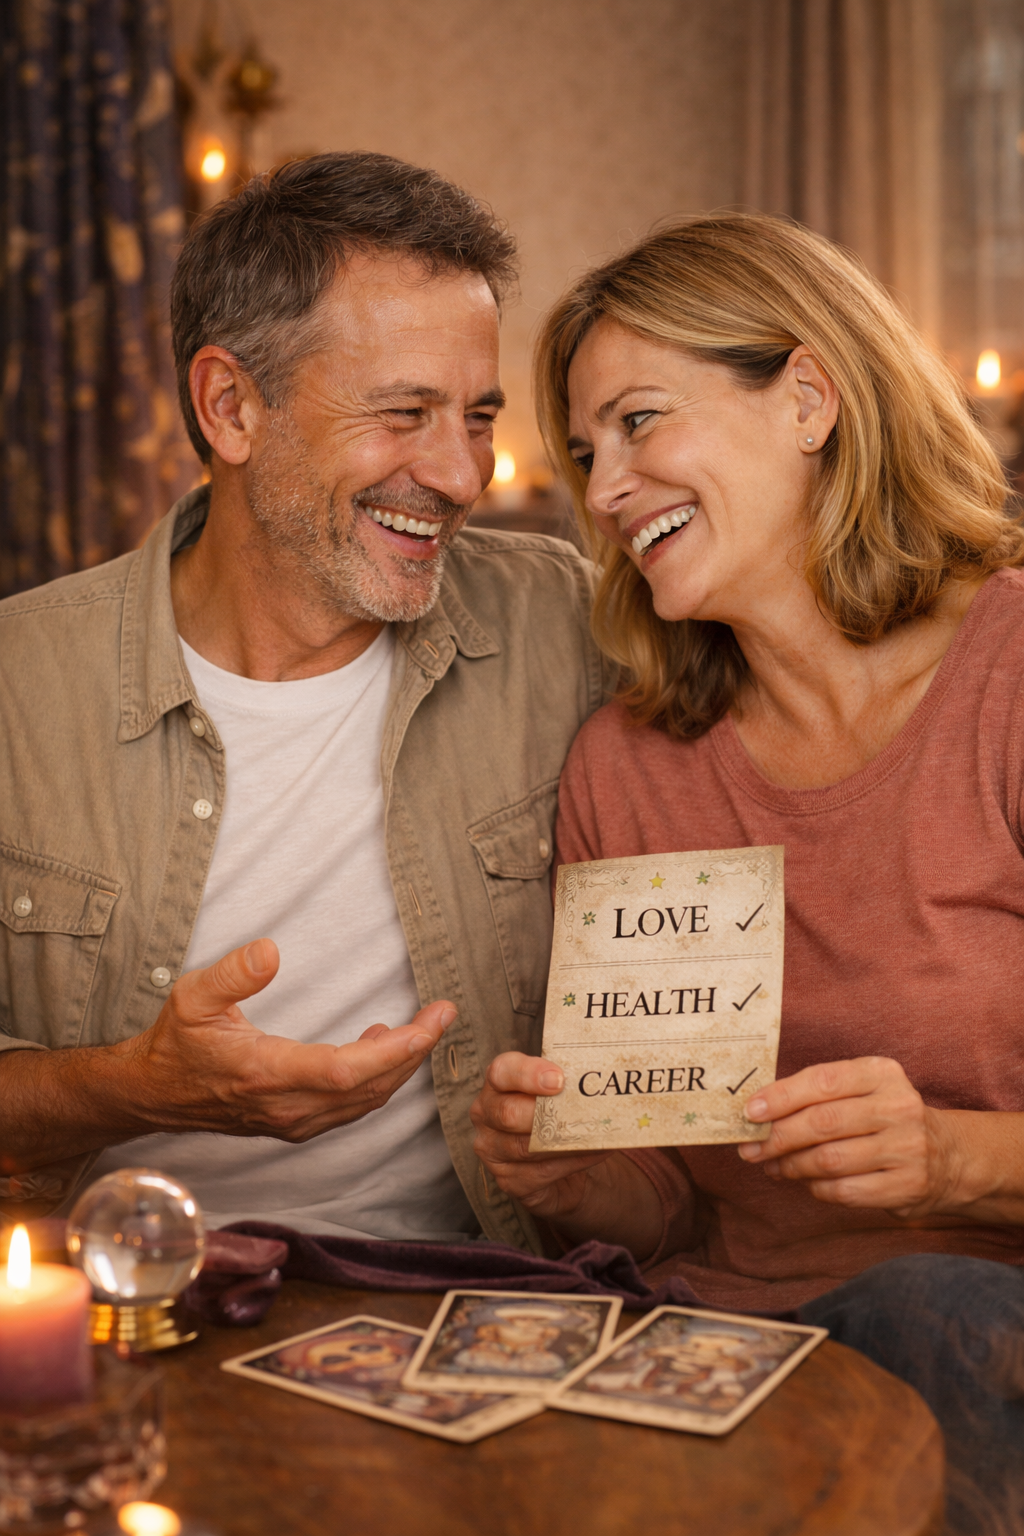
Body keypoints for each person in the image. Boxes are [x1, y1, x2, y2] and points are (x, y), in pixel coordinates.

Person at [471, 213, 1024, 1531]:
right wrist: (567, 1173)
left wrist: (947, 1161)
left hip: (978, 1338)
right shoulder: (625, 767)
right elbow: (662, 1203)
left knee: (924, 1307)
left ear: (810, 399)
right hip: (722, 1344)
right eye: (589, 452)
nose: (603, 489)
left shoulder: (1007, 681)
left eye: (641, 422)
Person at [0, 152, 610, 1250]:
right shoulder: (17, 686)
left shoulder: (558, 624)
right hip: (119, 1320)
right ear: (230, 407)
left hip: (463, 1302)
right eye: (404, 412)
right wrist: (135, 1086)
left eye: (476, 414)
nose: (464, 474)